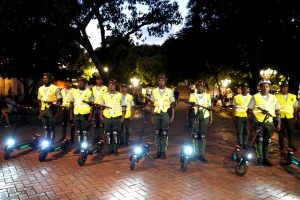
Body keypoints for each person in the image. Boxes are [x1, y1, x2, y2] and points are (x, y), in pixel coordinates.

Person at [247, 79, 281, 166]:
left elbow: (277, 111)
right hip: (258, 122)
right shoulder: (255, 97)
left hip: (269, 123)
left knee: (268, 141)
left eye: (267, 86)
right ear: (260, 87)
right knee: (259, 140)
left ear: (269, 88)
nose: (265, 88)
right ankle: (260, 159)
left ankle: (266, 158)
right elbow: (249, 111)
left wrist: (278, 123)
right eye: (263, 86)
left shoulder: (273, 97)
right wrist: (251, 122)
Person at [150, 74, 175, 159]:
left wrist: (172, 116)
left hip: (165, 114)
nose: (161, 81)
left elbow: (172, 105)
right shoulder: (154, 91)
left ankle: (163, 151)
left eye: (162, 80)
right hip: (156, 114)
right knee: (157, 134)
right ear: (158, 81)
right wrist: (151, 116)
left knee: (164, 134)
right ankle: (158, 151)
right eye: (159, 80)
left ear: (165, 81)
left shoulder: (169, 91)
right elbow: (152, 105)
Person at [188, 80, 213, 162]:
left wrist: (211, 118)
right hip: (195, 116)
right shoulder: (192, 95)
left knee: (202, 136)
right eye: (198, 86)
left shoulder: (208, 96)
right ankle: (195, 154)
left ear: (203, 87)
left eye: (201, 86)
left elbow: (210, 107)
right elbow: (189, 108)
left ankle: (201, 154)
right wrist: (191, 118)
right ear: (196, 87)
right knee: (195, 135)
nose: (200, 87)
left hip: (205, 116)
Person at [100, 79, 125, 156]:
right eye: (110, 85)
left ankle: (115, 150)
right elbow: (101, 107)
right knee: (108, 134)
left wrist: (123, 117)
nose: (111, 86)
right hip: (107, 117)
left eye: (113, 85)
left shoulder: (120, 95)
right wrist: (101, 116)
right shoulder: (104, 95)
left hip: (116, 117)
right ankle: (110, 149)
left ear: (115, 86)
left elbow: (123, 106)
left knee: (115, 134)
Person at [70, 77, 94, 154]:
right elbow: (71, 103)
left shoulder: (89, 92)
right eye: (79, 82)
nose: (80, 83)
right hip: (76, 113)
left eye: (82, 82)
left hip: (85, 114)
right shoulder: (74, 92)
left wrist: (91, 115)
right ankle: (79, 147)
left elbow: (92, 105)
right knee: (78, 132)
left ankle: (85, 147)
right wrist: (71, 114)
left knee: (85, 132)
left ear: (85, 84)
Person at [37, 73, 62, 142]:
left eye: (46, 78)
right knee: (45, 126)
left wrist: (56, 110)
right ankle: (46, 140)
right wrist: (40, 112)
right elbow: (39, 101)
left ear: (50, 79)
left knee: (51, 126)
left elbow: (59, 101)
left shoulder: (55, 88)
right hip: (43, 109)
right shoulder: (40, 88)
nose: (45, 80)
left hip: (52, 109)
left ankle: (51, 140)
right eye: (44, 78)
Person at [275, 81, 298, 151]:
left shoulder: (293, 96)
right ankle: (281, 145)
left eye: (285, 87)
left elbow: (295, 106)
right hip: (280, 117)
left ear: (287, 88)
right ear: (280, 88)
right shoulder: (276, 96)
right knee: (281, 132)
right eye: (282, 87)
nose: (284, 89)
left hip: (290, 117)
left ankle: (291, 144)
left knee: (291, 131)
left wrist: (295, 116)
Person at [232, 83, 252, 149]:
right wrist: (233, 116)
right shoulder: (236, 97)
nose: (245, 89)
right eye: (243, 88)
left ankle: (245, 143)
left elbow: (252, 107)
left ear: (248, 89)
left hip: (247, 116)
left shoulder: (251, 97)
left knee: (247, 131)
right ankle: (240, 143)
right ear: (241, 89)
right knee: (239, 131)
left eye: (246, 88)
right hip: (239, 116)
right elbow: (234, 107)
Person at [91, 75, 107, 143]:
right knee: (95, 124)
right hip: (95, 107)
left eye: (100, 79)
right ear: (96, 81)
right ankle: (95, 138)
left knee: (102, 124)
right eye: (97, 79)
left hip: (102, 108)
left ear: (102, 81)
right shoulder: (93, 88)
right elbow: (91, 98)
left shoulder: (105, 88)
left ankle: (101, 138)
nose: (99, 81)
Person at [60, 78, 75, 143]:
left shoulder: (74, 90)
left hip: (71, 109)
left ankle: (72, 138)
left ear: (71, 83)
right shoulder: (62, 90)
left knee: (72, 124)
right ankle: (63, 137)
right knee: (63, 123)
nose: (67, 83)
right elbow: (61, 100)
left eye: (68, 82)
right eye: (66, 82)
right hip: (64, 109)